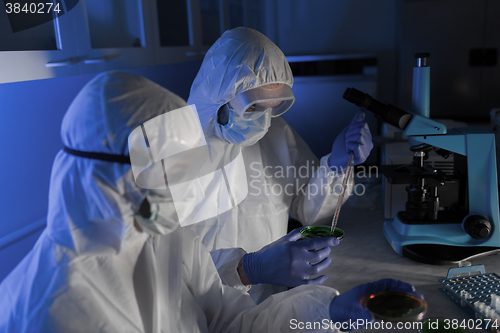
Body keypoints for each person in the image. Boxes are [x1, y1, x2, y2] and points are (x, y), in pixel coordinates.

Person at [0, 71, 416, 333]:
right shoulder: (56, 307)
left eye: (182, 169)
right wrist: (250, 267)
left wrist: (329, 313)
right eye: (165, 170)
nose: (179, 188)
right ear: (104, 176)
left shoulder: (163, 235)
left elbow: (230, 320)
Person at [186, 27, 374, 302]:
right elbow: (162, 265)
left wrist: (334, 166)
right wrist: (245, 271)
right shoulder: (170, 152)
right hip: (195, 312)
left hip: (267, 308)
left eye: (271, 107)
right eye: (253, 108)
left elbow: (310, 212)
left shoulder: (276, 134)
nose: (262, 121)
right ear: (218, 98)